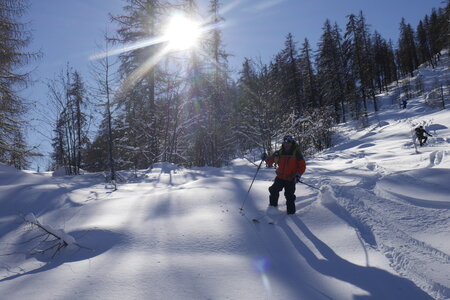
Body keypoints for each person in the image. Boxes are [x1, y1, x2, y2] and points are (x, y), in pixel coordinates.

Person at [261, 135, 306, 215]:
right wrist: (266, 158)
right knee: (273, 190)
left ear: (291, 143)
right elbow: (270, 161)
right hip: (280, 177)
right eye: (285, 142)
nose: (287, 144)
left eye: (289, 142)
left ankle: (291, 214)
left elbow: (302, 166)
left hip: (290, 178)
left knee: (289, 196)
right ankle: (272, 208)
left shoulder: (296, 153)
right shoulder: (279, 153)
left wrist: (298, 175)